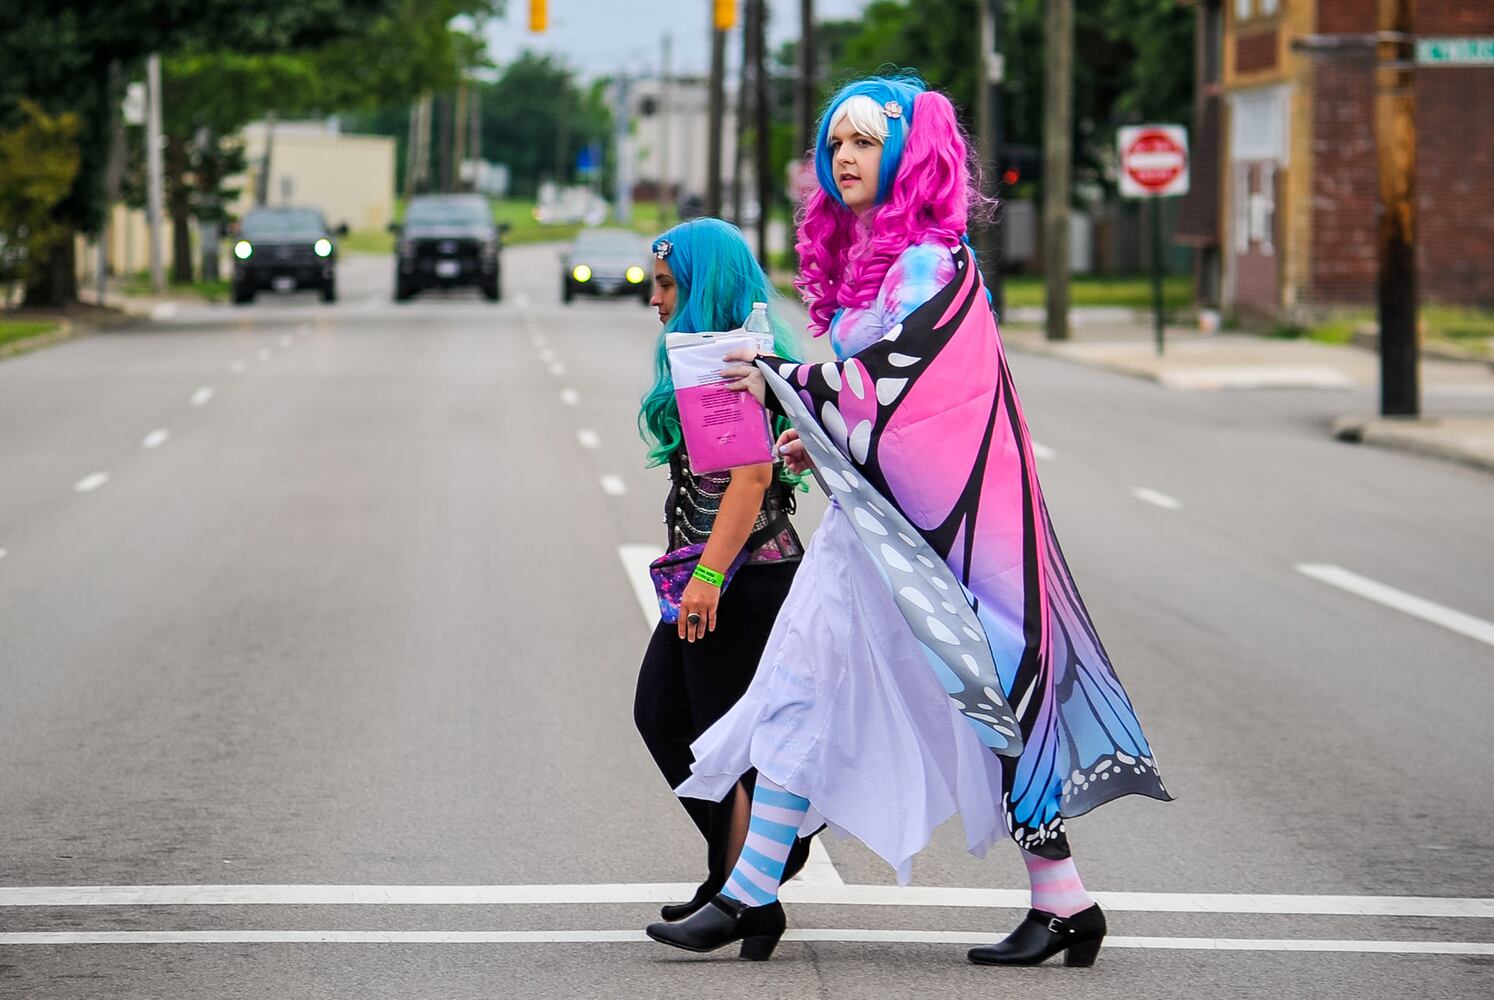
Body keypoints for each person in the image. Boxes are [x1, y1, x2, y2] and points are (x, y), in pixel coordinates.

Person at [645, 76, 1171, 965]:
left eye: (863, 142)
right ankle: (747, 890)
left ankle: (1065, 900)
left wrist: (789, 380)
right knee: (803, 685)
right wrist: (818, 439)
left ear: (907, 154)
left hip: (941, 541)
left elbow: (902, 387)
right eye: (835, 144)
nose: (843, 159)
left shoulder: (933, 263)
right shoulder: (887, 263)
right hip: (875, 531)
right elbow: (877, 412)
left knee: (992, 704)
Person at [633, 218, 814, 923]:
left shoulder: (723, 359)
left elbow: (748, 477)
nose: (654, 298)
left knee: (705, 734)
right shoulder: (718, 354)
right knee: (676, 720)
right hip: (724, 572)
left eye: (667, 283)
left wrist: (707, 580)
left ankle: (748, 893)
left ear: (703, 285)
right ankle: (736, 879)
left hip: (742, 577)